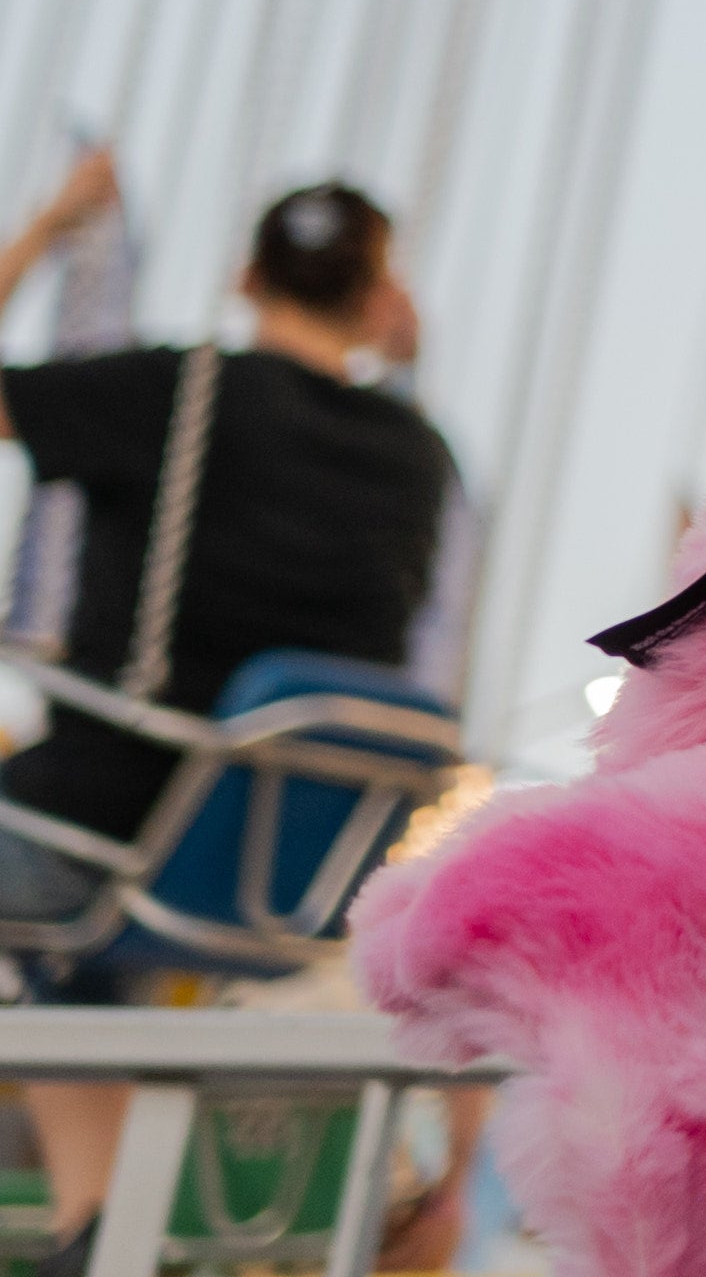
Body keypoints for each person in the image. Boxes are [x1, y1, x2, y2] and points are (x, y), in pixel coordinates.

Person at [0, 155, 456, 1239]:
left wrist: (52, 221)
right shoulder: (422, 455)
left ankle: (98, 1215)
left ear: (246, 276)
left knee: (51, 906)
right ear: (377, 300)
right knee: (65, 950)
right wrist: (406, 359)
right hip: (301, 866)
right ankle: (96, 1226)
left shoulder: (173, 389)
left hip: (117, 827)